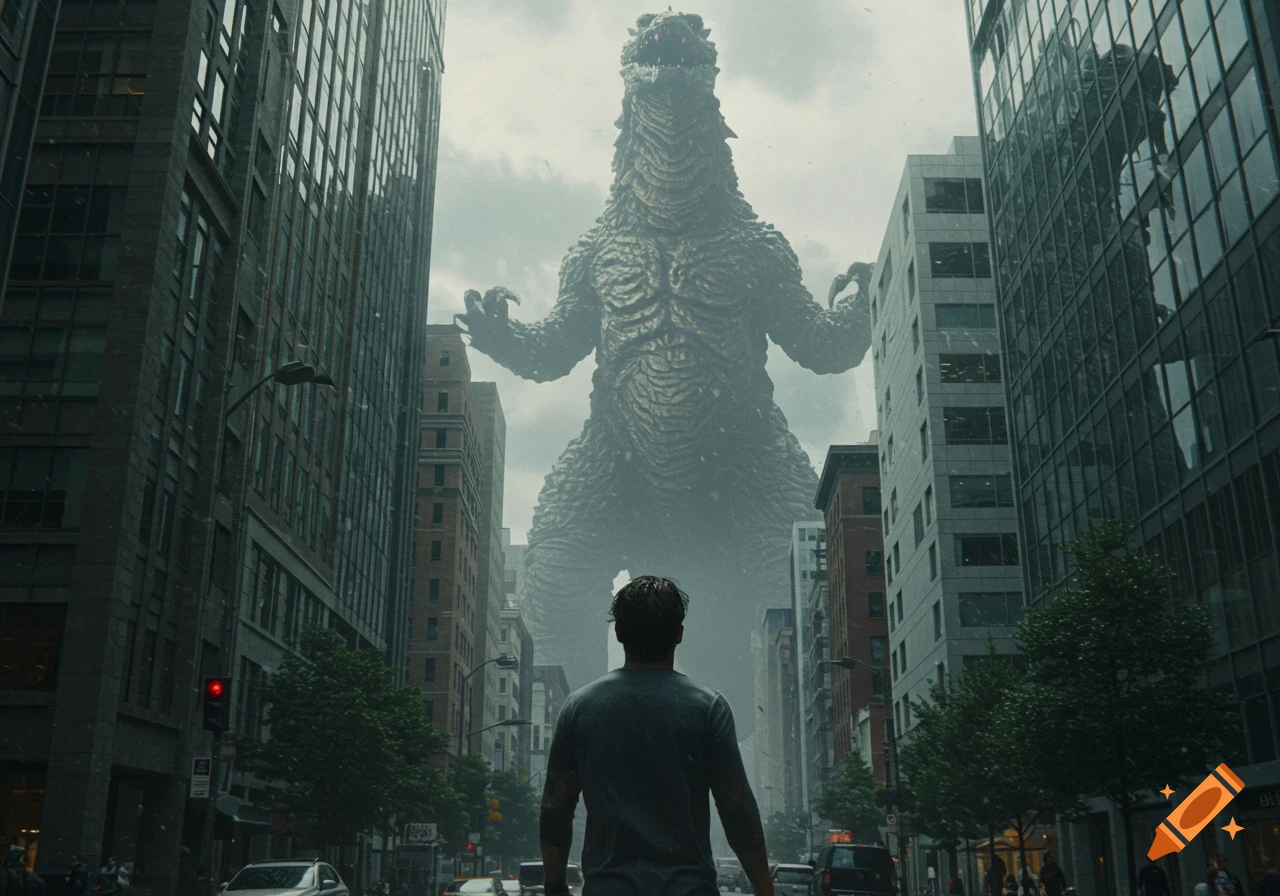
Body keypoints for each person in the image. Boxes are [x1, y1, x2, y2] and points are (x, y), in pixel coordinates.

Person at [538, 576, 772, 896]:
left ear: (619, 633)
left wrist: (553, 885)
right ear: (679, 634)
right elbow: (736, 807)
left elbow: (556, 806)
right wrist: (763, 886)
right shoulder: (709, 708)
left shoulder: (579, 708)